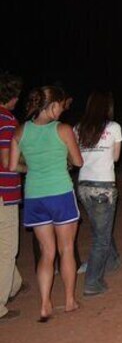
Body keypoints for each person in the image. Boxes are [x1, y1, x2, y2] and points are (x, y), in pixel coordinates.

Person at [10, 86, 83, 322]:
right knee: (67, 249)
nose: (62, 110)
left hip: (35, 195)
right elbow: (78, 161)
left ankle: (44, 305)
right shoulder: (63, 129)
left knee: (47, 252)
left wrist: (31, 167)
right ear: (51, 105)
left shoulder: (20, 131)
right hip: (60, 192)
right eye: (60, 105)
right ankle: (70, 301)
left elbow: (12, 167)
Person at [75, 91, 122, 297]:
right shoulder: (113, 127)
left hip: (84, 184)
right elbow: (116, 157)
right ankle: (92, 283)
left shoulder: (78, 128)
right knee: (101, 238)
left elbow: (75, 157)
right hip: (103, 185)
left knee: (99, 227)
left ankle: (111, 260)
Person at [0, 73, 25, 322]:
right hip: (3, 191)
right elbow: (8, 162)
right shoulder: (7, 120)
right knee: (8, 247)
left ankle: (14, 283)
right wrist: (29, 168)